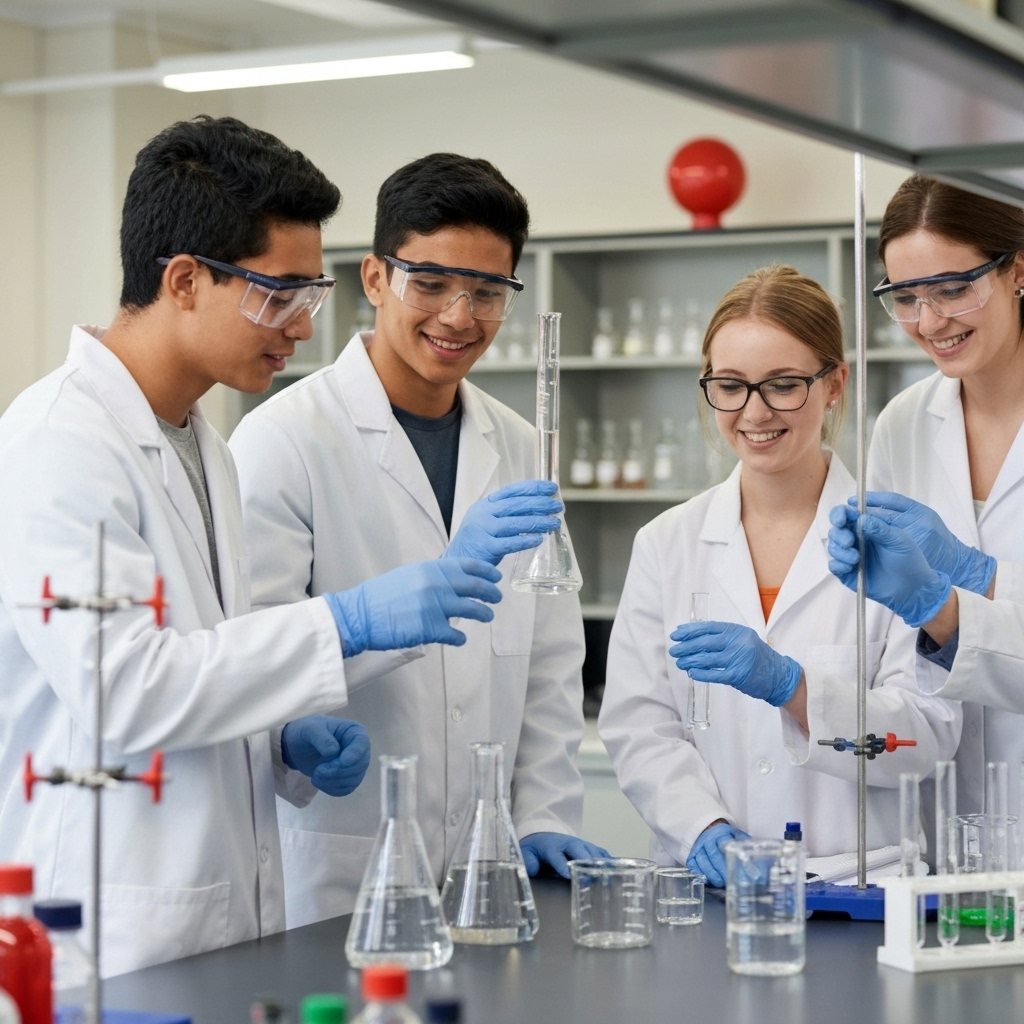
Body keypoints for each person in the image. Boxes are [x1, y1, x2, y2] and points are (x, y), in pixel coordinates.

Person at [0, 118, 507, 977]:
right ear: (186, 280)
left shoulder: (207, 449)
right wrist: (342, 622)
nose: (302, 327)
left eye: (312, 295)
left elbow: (208, 659)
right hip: (107, 924)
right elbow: (125, 690)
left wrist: (281, 742)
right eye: (281, 294)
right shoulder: (59, 444)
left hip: (216, 916)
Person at [229, 152, 608, 928]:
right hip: (339, 875)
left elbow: (548, 664)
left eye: (487, 291)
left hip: (490, 873)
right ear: (375, 279)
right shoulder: (284, 441)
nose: (459, 316)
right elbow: (246, 652)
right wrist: (292, 738)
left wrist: (542, 813)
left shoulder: (519, 446)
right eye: (429, 283)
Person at [598, 266, 960, 887]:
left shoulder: (896, 544)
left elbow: (921, 741)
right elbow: (639, 726)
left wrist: (794, 689)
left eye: (784, 385)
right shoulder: (666, 543)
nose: (754, 412)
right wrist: (701, 828)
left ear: (834, 384)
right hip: (707, 888)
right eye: (730, 386)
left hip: (856, 889)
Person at [826, 174, 1024, 813]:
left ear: (1017, 269)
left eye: (953, 289)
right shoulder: (904, 422)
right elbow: (894, 648)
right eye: (905, 296)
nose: (929, 321)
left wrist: (972, 580)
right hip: (944, 808)